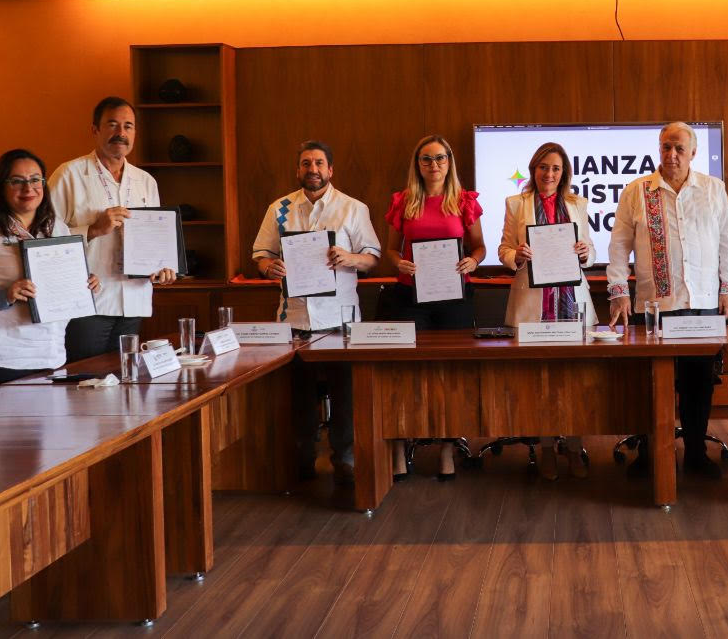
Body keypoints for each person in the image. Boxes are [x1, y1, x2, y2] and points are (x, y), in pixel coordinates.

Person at [607, 122, 728, 480]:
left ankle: (696, 453)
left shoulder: (713, 189)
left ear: (693, 152)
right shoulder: (637, 191)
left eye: (679, 148)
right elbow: (618, 247)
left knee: (699, 383)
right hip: (655, 307)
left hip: (703, 303)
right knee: (654, 383)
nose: (672, 155)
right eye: (666, 147)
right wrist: (619, 292)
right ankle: (650, 453)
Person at [252, 141, 381, 484]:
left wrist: (349, 258)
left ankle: (346, 461)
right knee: (299, 396)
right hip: (293, 320)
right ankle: (302, 461)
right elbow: (261, 254)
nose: (313, 169)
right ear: (298, 170)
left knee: (345, 396)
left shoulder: (353, 208)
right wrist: (268, 267)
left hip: (341, 321)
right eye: (306, 163)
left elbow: (372, 258)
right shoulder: (279, 208)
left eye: (319, 163)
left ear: (330, 169)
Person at [0, 150, 99, 392]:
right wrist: (2, 295)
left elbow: (64, 282)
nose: (28, 188)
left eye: (35, 179)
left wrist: (86, 283)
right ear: (0, 186)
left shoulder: (57, 228)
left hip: (51, 356)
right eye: (17, 181)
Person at [384, 134, 486, 482]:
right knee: (404, 374)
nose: (434, 165)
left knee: (450, 373)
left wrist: (473, 261)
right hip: (410, 297)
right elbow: (391, 250)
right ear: (417, 164)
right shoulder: (403, 201)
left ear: (449, 162)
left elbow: (479, 247)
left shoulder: (463, 200)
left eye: (440, 158)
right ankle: (399, 447)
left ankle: (447, 447)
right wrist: (399, 262)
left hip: (454, 297)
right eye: (426, 159)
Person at [498, 141, 599, 480]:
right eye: (543, 167)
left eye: (556, 168)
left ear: (564, 172)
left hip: (571, 301)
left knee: (575, 380)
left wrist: (585, 252)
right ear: (534, 169)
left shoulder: (578, 203)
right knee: (541, 382)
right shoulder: (516, 203)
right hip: (533, 304)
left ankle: (574, 447)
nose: (549, 174)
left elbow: (590, 250)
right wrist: (516, 255)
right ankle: (545, 449)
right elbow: (504, 248)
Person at [50, 97, 175, 361]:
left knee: (124, 373)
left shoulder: (146, 181)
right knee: (85, 376)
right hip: (88, 300)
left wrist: (162, 267)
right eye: (112, 125)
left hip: (135, 299)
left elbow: (155, 240)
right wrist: (93, 229)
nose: (121, 133)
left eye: (128, 126)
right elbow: (45, 241)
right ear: (95, 130)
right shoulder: (69, 175)